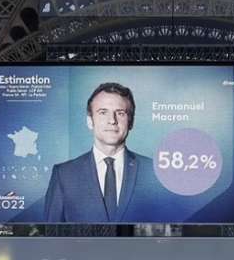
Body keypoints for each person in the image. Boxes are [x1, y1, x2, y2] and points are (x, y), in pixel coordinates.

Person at [43, 82, 163, 223]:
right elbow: (51, 237)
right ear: (90, 121)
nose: (112, 120)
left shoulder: (155, 172)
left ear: (131, 122)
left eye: (120, 113)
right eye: (103, 112)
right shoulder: (64, 174)